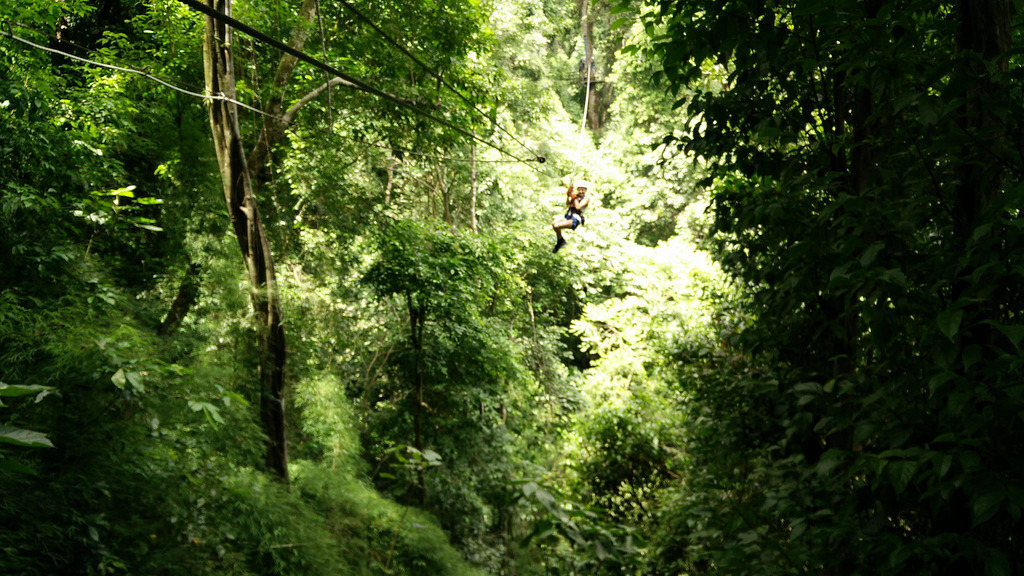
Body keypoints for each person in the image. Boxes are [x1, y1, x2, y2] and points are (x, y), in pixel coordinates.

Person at [551, 180, 590, 253]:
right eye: (580, 189)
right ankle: (560, 240)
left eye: (583, 189)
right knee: (554, 224)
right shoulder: (576, 196)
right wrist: (568, 195)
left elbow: (578, 207)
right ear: (578, 189)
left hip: (575, 219)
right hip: (568, 216)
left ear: (585, 190)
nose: (581, 191)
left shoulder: (586, 199)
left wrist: (574, 197)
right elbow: (568, 203)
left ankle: (560, 241)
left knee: (557, 226)